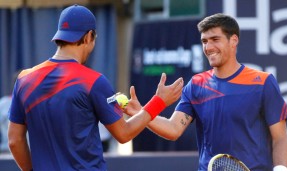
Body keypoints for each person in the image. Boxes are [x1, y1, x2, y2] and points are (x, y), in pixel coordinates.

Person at [7, 4, 184, 171]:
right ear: (89, 36)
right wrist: (159, 102)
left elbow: (14, 140)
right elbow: (124, 134)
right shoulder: (93, 81)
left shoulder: (24, 79)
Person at [125, 13, 287, 171]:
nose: (208, 47)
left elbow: (281, 137)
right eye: (204, 41)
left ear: (233, 40)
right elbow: (173, 129)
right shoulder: (197, 84)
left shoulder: (263, 82)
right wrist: (143, 113)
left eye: (215, 39)